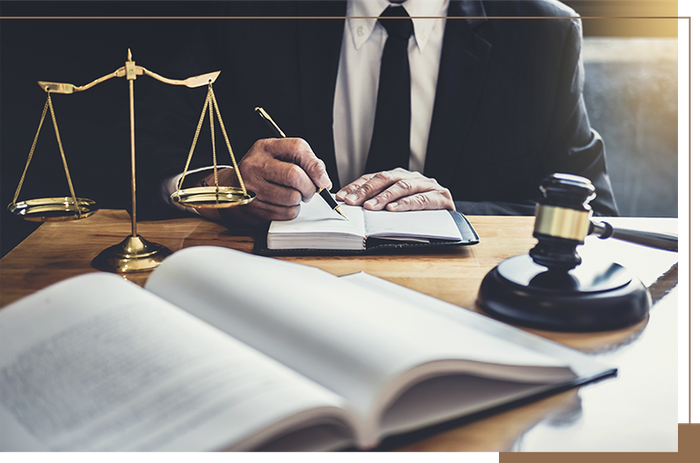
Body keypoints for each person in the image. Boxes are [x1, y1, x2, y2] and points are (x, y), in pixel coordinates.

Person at [136, 0, 618, 229]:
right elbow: (141, 155)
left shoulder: (541, 32)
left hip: (465, 316)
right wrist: (220, 186)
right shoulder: (247, 14)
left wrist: (453, 213)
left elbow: (597, 217)